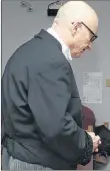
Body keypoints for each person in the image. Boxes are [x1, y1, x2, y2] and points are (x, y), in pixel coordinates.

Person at [1, 1, 101, 170]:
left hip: (17, 157)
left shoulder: (26, 51)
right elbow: (56, 127)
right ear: (76, 27)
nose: (90, 46)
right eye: (91, 37)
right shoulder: (52, 60)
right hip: (40, 163)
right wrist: (88, 143)